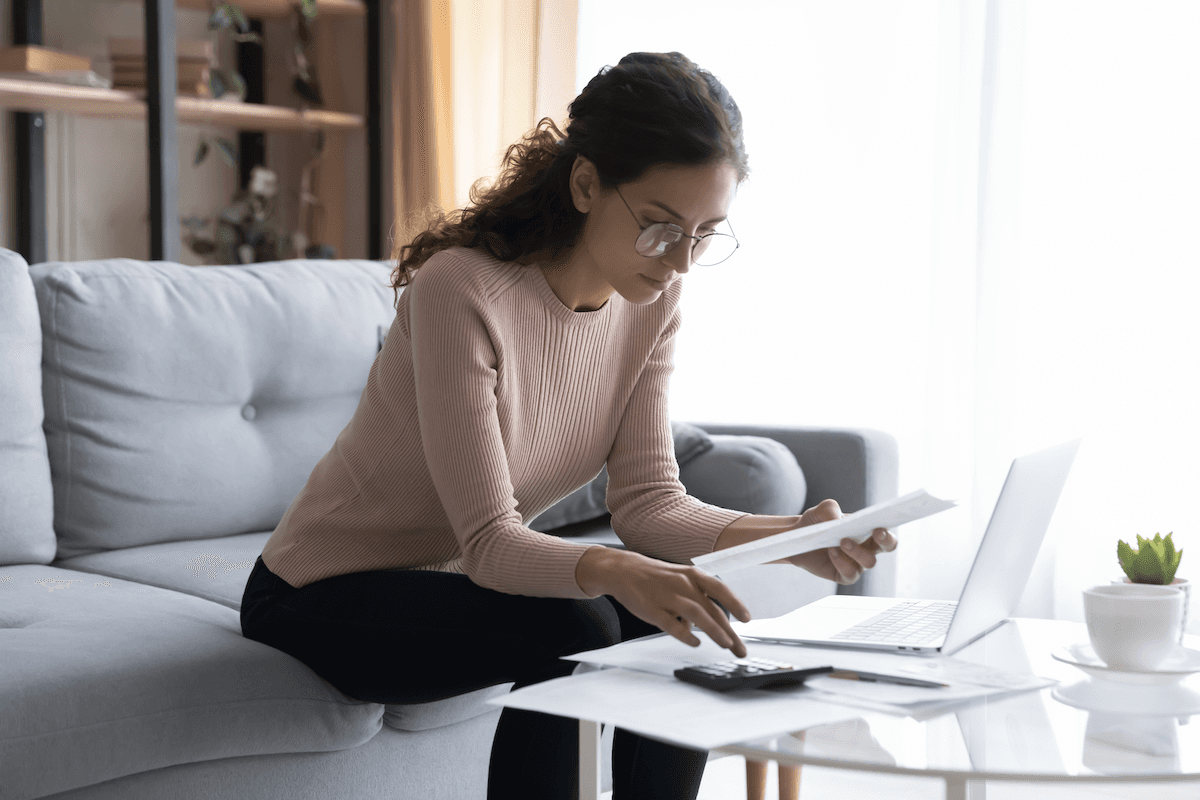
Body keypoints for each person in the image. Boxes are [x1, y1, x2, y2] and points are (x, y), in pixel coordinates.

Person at [240, 51, 897, 800]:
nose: (680, 262)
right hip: (317, 592)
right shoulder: (461, 290)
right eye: (660, 227)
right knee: (576, 623)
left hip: (451, 589)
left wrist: (790, 539)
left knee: (674, 608)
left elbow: (650, 503)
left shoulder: (650, 303)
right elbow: (490, 544)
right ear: (586, 183)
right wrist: (616, 569)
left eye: (705, 235)